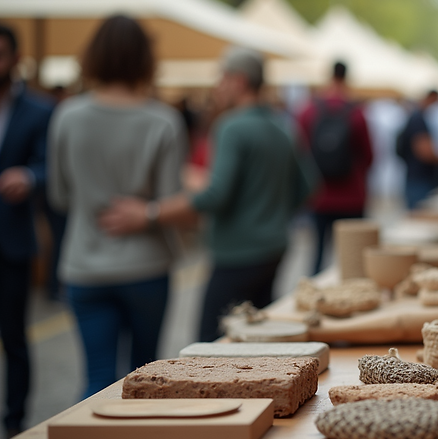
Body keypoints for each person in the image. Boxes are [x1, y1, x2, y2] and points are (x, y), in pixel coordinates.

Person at [100, 46, 316, 342]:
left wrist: (150, 213)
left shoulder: (231, 127)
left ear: (238, 81)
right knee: (263, 340)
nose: (217, 86)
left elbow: (217, 195)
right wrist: (268, 210)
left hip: (236, 253)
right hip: (274, 247)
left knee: (210, 343)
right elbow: (307, 186)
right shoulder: (283, 126)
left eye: (221, 78)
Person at [47, 15, 185, 399]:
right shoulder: (163, 120)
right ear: (146, 58)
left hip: (85, 264)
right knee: (146, 381)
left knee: (96, 382)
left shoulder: (67, 116)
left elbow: (59, 195)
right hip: (147, 264)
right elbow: (171, 197)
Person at [0, 24, 55, 439]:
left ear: (16, 58)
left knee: (14, 337)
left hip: (12, 239)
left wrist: (31, 177)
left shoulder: (39, 110)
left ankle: (14, 420)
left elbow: (51, 166)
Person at [295, 61, 373, 274]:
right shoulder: (357, 113)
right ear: (347, 77)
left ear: (329, 76)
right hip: (352, 197)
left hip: (319, 195)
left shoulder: (308, 110)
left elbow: (299, 153)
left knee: (317, 255)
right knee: (354, 261)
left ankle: (314, 301)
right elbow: (369, 156)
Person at [396, 90, 438, 209]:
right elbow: (425, 153)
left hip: (417, 179)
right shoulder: (418, 119)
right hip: (420, 180)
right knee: (419, 215)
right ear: (431, 98)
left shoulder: (417, 117)